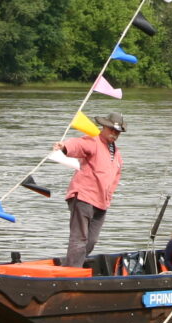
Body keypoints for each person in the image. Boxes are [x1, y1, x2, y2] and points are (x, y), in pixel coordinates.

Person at [53, 111, 126, 268]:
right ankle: (72, 274)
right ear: (104, 127)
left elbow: (115, 178)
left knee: (91, 241)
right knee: (79, 238)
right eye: (112, 130)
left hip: (102, 203)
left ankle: (70, 265)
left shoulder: (117, 154)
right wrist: (64, 147)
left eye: (117, 132)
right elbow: (78, 145)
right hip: (83, 197)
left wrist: (109, 197)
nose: (114, 134)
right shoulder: (93, 141)